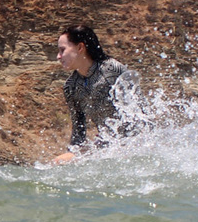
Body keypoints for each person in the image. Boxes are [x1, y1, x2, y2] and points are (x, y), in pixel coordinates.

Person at [50, 24, 140, 164]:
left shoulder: (112, 70)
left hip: (136, 142)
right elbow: (78, 132)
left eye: (62, 50)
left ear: (80, 48)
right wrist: (73, 155)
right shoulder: (71, 87)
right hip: (108, 145)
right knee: (59, 162)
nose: (58, 56)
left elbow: (138, 112)